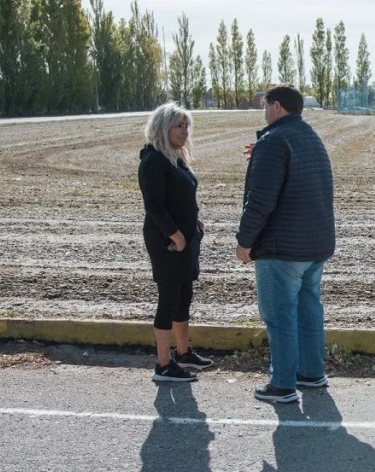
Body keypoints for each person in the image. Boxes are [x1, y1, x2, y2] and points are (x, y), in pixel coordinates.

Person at [237, 85, 336, 404]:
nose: (264, 111)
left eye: (265, 105)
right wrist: (262, 152)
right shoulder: (310, 137)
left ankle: (282, 385)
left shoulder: (274, 141)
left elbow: (260, 201)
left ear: (277, 106)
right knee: (309, 311)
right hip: (315, 244)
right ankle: (311, 373)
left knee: (279, 315)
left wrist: (245, 240)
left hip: (282, 247)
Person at [138, 102, 214, 383]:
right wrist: (177, 236)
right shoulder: (154, 161)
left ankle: (183, 353)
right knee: (168, 299)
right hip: (167, 242)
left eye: (186, 126)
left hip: (186, 238)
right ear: (163, 128)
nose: (184, 131)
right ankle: (163, 364)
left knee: (184, 296)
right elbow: (154, 206)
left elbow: (181, 197)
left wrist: (195, 222)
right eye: (178, 126)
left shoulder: (175, 158)